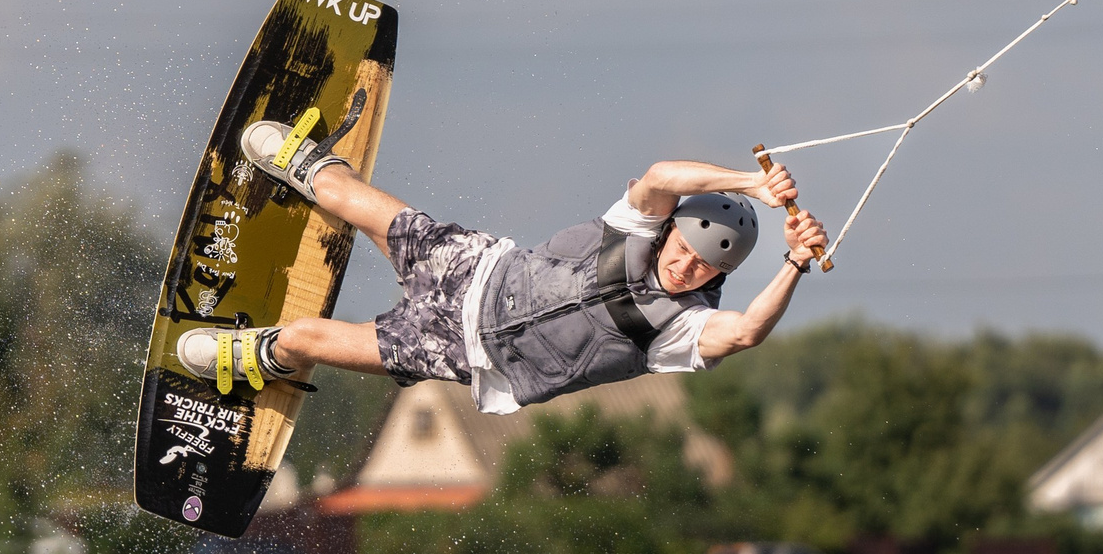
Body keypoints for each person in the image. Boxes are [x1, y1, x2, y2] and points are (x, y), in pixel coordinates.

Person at [175, 118, 830, 414]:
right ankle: (309, 166)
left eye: (702, 270)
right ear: (671, 236)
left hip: (463, 349)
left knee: (304, 339)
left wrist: (795, 263)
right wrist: (753, 184)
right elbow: (662, 175)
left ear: (719, 279)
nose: (686, 269)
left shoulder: (680, 330)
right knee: (353, 201)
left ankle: (265, 360)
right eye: (684, 251)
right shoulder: (636, 231)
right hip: (471, 268)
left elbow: (745, 334)